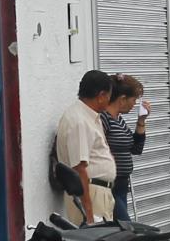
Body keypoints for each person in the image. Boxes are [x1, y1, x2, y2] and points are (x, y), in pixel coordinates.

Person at [55, 70, 117, 223]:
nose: (109, 100)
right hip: (91, 194)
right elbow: (79, 168)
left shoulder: (89, 116)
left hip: (97, 192)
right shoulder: (79, 121)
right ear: (101, 95)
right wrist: (88, 212)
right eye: (109, 96)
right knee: (97, 237)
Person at [102, 75, 150, 217]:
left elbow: (136, 149)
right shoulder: (104, 119)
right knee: (125, 224)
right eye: (133, 100)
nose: (134, 104)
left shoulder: (119, 120)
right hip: (110, 184)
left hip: (122, 184)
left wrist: (141, 121)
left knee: (121, 226)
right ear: (122, 99)